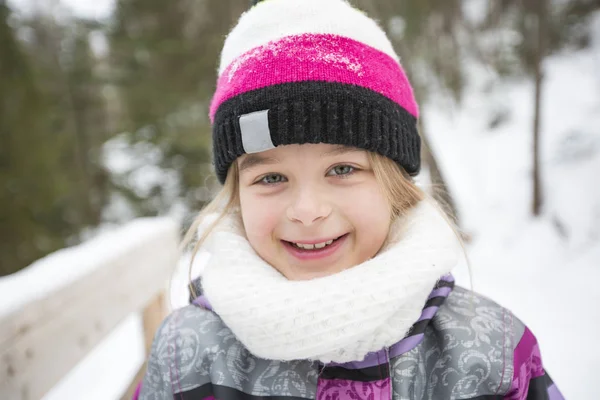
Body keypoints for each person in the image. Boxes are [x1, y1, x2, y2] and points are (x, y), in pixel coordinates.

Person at [136, 0, 563, 399]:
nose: (307, 211)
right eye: (271, 177)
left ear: (393, 184)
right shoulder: (185, 355)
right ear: (236, 196)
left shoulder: (491, 352)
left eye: (342, 170)